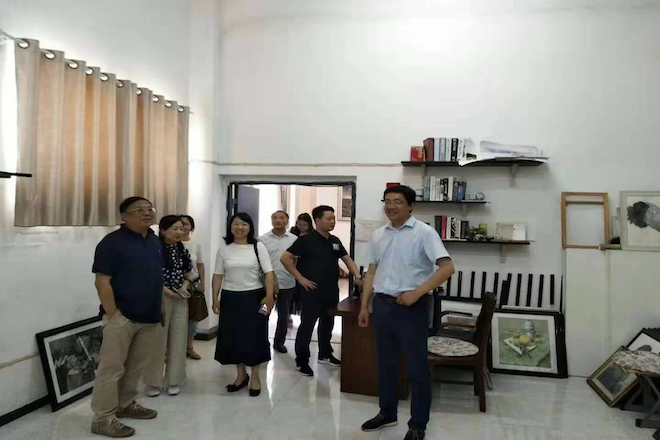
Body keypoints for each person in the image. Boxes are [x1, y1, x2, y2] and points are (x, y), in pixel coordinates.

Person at [358, 185, 455, 440]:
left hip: (412, 308)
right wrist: (365, 305)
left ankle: (418, 425)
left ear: (411, 206)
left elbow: (447, 268)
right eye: (387, 201)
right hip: (382, 306)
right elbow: (371, 272)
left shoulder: (425, 233)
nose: (391, 206)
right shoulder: (379, 235)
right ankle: (387, 412)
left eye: (397, 202)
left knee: (416, 368)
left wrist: (417, 292)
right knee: (386, 365)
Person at [90, 197, 162, 438]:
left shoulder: (153, 240)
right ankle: (102, 418)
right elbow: (102, 282)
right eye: (139, 210)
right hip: (122, 317)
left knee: (135, 367)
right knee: (111, 369)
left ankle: (125, 404)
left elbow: (156, 277)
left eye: (150, 209)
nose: (147, 213)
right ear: (124, 216)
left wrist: (160, 307)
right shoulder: (112, 243)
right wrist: (114, 315)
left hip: (149, 316)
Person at [281, 205, 362, 377]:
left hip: (331, 290)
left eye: (333, 218)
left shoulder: (335, 241)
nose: (333, 221)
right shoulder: (306, 240)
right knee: (307, 325)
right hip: (311, 291)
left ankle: (325, 354)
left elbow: (347, 259)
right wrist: (300, 279)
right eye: (329, 218)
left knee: (328, 323)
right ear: (317, 220)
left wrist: (357, 275)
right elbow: (285, 258)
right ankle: (302, 361)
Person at [212, 213, 275, 396]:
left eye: (244, 224)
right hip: (230, 298)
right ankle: (241, 375)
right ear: (230, 227)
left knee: (255, 336)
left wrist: (269, 296)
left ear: (250, 227)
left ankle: (255, 376)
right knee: (233, 337)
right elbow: (218, 275)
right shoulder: (224, 249)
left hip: (256, 298)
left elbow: (269, 273)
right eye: (236, 224)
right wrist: (215, 298)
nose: (239, 227)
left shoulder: (258, 247)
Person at [144, 215, 193, 397]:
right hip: (159, 298)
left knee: (179, 339)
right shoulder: (153, 249)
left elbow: (190, 273)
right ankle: (152, 382)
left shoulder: (182, 250)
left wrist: (184, 288)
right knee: (157, 340)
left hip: (180, 298)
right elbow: (150, 275)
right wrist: (168, 292)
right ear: (163, 231)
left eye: (181, 229)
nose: (179, 232)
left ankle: (174, 380)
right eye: (175, 228)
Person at [258, 211, 298, 353]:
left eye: (281, 218)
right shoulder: (262, 239)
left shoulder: (294, 239)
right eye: (274, 218)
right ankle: (260, 341)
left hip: (287, 284)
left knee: (283, 315)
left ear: (287, 220)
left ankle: (279, 343)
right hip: (267, 285)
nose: (278, 220)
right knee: (264, 312)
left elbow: (296, 259)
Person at [180, 214, 205, 360]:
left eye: (186, 224)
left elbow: (200, 265)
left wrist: (202, 283)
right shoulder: (169, 243)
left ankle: (189, 347)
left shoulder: (196, 244)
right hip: (174, 286)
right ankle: (171, 349)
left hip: (193, 286)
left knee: (192, 318)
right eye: (180, 224)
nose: (183, 227)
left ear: (191, 227)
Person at [289, 213, 314, 319]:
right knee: (290, 294)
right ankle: (288, 315)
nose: (301, 227)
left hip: (304, 266)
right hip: (290, 266)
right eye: (299, 224)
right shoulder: (292, 234)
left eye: (304, 225)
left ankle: (303, 316)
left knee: (301, 293)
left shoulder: (312, 236)